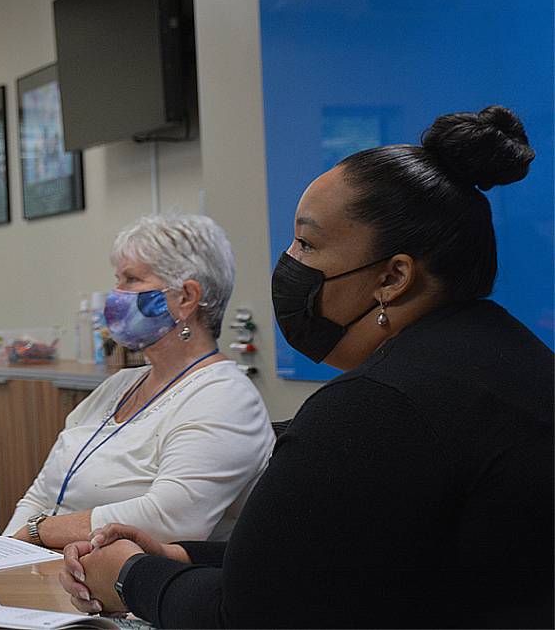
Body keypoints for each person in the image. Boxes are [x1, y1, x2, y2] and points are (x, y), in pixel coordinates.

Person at [60, 105, 554, 628]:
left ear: (393, 278)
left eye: (307, 243)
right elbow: (319, 564)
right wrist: (181, 557)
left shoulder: (377, 408)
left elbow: (248, 617)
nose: (290, 262)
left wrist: (128, 577)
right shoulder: (513, 360)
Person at [3, 212, 275, 550]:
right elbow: (42, 493)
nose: (115, 295)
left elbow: (169, 518)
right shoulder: (119, 386)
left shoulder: (225, 397)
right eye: (117, 279)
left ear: (186, 298)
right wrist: (1, 556)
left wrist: (40, 532)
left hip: (127, 590)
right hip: (46, 574)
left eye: (131, 280)